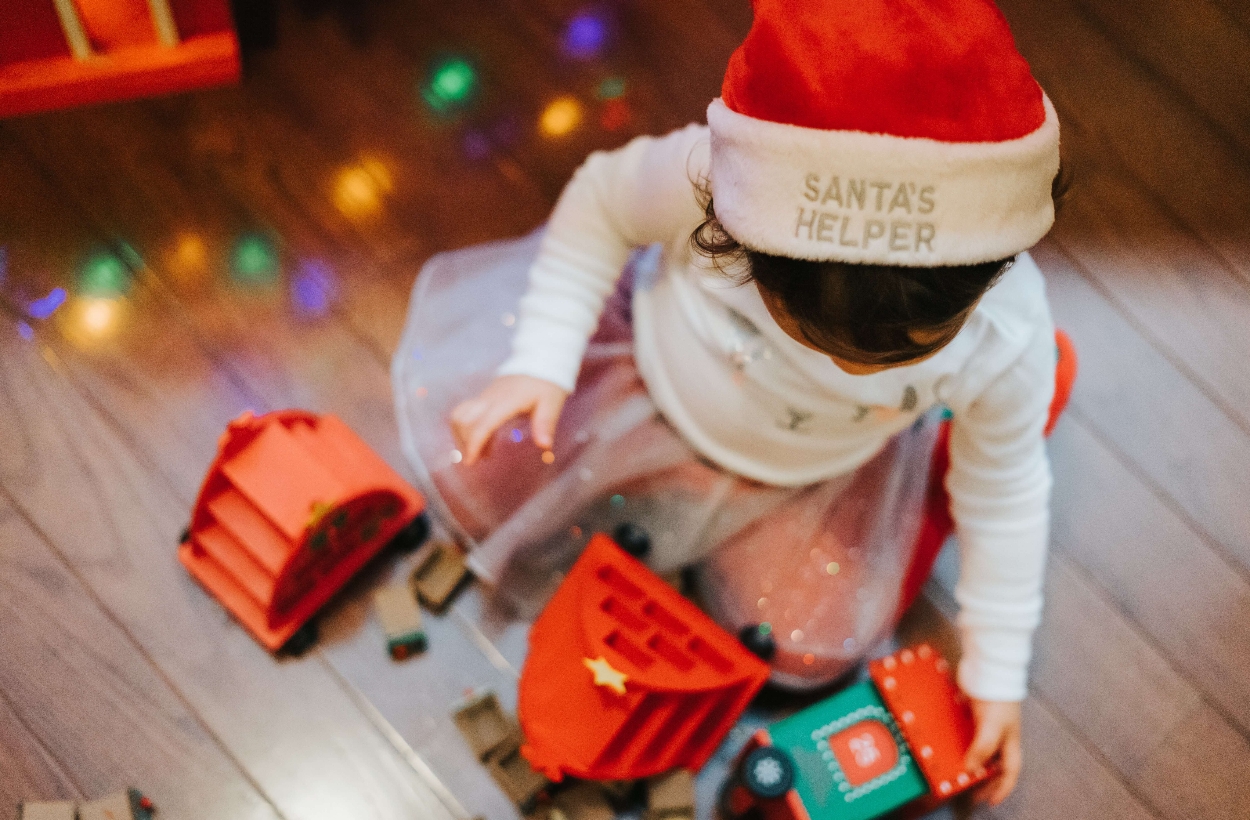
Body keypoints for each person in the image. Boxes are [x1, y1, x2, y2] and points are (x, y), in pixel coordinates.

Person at [394, 0, 1066, 805]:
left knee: (810, 651)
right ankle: (671, 495)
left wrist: (997, 671)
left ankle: (959, 461)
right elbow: (603, 201)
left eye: (894, 355)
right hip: (645, 380)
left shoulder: (1009, 330)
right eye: (815, 337)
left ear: (988, 272)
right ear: (734, 229)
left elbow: (1009, 493)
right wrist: (542, 360)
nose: (845, 370)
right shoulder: (711, 179)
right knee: (468, 463)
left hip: (807, 468)